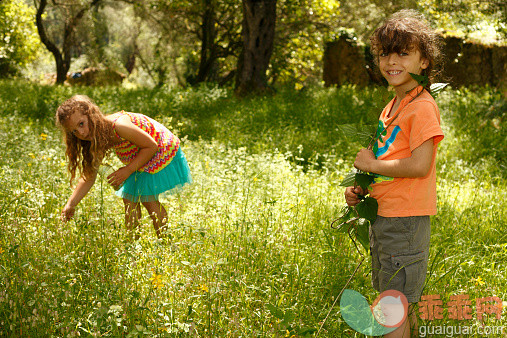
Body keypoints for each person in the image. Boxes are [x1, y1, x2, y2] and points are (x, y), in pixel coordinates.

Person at [344, 9, 444, 337]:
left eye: (404, 52)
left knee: (392, 304)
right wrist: (364, 188)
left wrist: (371, 165)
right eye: (385, 53)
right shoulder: (393, 105)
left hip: (405, 220)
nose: (392, 61)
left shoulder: (421, 107)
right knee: (399, 300)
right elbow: (391, 161)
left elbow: (419, 164)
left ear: (424, 61)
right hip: (387, 216)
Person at [56, 95, 192, 239]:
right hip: (143, 154)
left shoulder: (119, 126)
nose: (81, 133)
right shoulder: (96, 137)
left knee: (147, 198)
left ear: (91, 114)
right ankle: (133, 244)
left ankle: (165, 242)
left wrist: (127, 170)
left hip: (160, 149)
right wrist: (71, 204)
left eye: (81, 124)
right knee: (129, 197)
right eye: (74, 131)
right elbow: (89, 176)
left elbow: (151, 146)